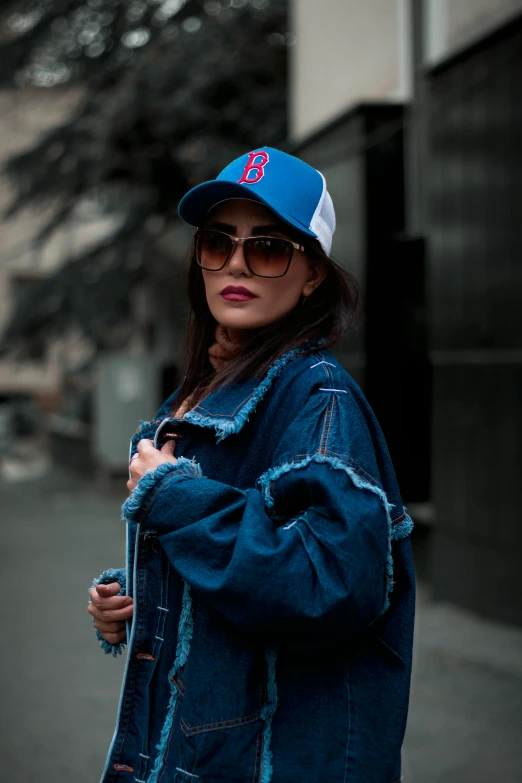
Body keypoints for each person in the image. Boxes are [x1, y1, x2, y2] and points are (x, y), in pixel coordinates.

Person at [88, 148, 415, 783]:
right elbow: (236, 565)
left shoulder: (317, 398)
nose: (235, 264)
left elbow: (328, 587)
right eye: (219, 242)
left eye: (267, 248)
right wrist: (135, 594)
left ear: (312, 274)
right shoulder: (209, 388)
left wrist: (175, 500)